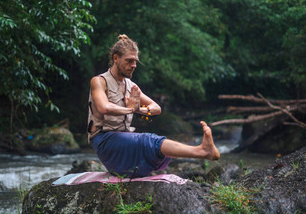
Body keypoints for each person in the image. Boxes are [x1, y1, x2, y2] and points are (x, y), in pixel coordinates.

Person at [87, 34, 220, 178]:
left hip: (122, 139)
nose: (134, 66)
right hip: (104, 141)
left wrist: (139, 110)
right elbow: (104, 107)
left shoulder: (131, 85)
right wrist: (130, 109)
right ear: (115, 58)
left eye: (136, 61)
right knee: (150, 141)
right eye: (129, 61)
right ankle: (202, 152)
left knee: (159, 151)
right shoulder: (99, 81)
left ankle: (203, 151)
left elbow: (156, 108)